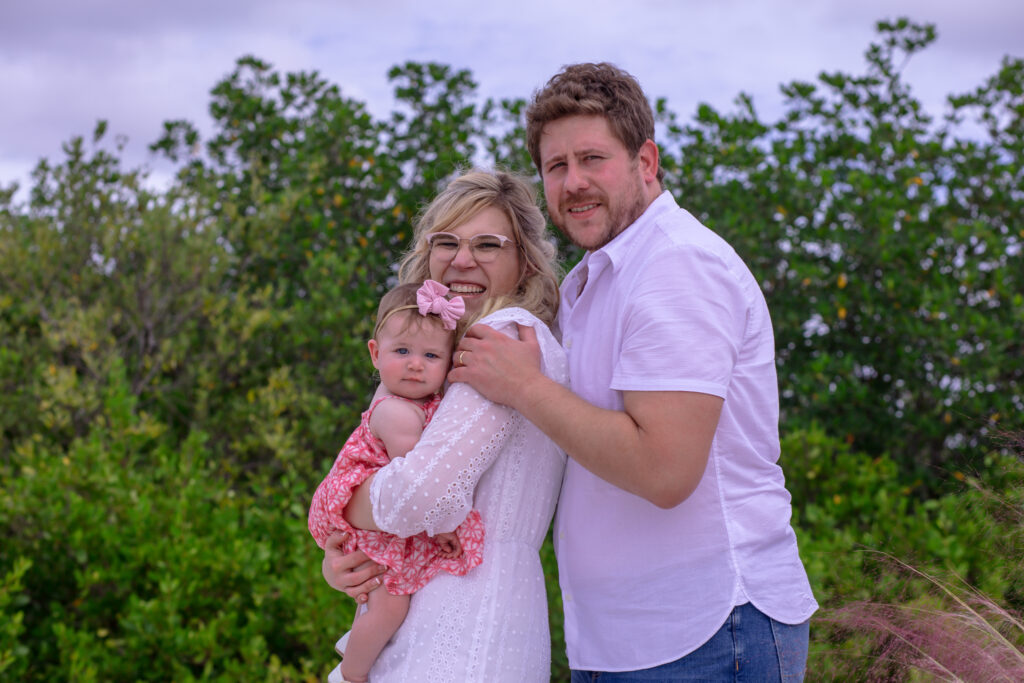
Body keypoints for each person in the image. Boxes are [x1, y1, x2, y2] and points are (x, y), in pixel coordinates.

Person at [448, 63, 818, 681]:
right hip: (618, 640)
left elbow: (664, 471)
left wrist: (523, 384)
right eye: (556, 166)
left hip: (707, 631)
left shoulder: (678, 267)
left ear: (646, 161)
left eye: (593, 158)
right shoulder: (587, 283)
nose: (573, 182)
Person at [313, 169, 569, 682]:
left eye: (488, 245)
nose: (462, 259)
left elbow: (420, 498)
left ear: (524, 260)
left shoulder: (501, 337)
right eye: (446, 241)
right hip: (465, 615)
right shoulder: (436, 358)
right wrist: (344, 555)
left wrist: (337, 509)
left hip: (460, 627)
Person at [308, 280, 486, 683]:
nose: (415, 364)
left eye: (430, 355)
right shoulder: (397, 413)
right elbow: (420, 482)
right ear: (375, 353)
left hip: (377, 512)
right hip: (363, 508)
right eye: (402, 351)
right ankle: (352, 673)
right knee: (391, 606)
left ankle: (358, 640)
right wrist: (446, 525)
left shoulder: (418, 403)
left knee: (378, 596)